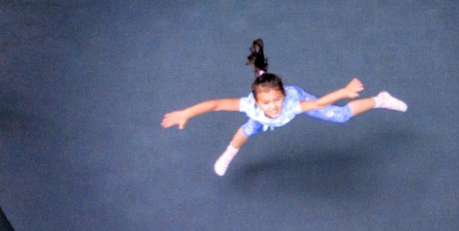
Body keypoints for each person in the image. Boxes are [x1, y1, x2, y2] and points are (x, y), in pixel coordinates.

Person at [161, 39, 407, 175]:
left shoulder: (290, 105)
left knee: (340, 116)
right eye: (267, 103)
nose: (273, 107)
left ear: (283, 95)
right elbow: (215, 105)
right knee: (247, 130)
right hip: (258, 118)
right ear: (256, 101)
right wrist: (187, 113)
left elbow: (319, 103)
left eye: (276, 100)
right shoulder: (252, 107)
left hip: (300, 100)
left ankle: (380, 100)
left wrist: (343, 91)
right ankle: (229, 153)